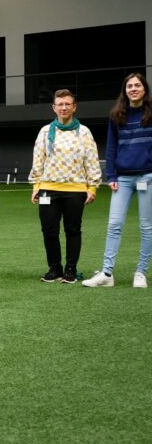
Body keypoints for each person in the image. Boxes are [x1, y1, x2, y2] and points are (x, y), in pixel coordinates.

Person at [83, 73, 152, 288]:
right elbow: (111, 147)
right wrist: (111, 175)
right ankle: (107, 274)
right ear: (125, 90)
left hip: (147, 177)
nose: (133, 89)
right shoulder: (116, 116)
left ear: (144, 89)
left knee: (146, 227)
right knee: (114, 225)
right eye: (129, 86)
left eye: (137, 85)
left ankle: (141, 272)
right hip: (122, 178)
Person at [30, 89, 101, 284]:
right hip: (48, 189)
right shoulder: (45, 131)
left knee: (73, 230)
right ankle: (54, 269)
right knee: (49, 230)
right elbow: (38, 159)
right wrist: (36, 185)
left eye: (67, 104)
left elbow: (91, 160)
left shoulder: (84, 132)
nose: (63, 107)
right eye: (60, 104)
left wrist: (92, 187)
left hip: (75, 190)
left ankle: (70, 270)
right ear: (53, 107)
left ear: (74, 107)